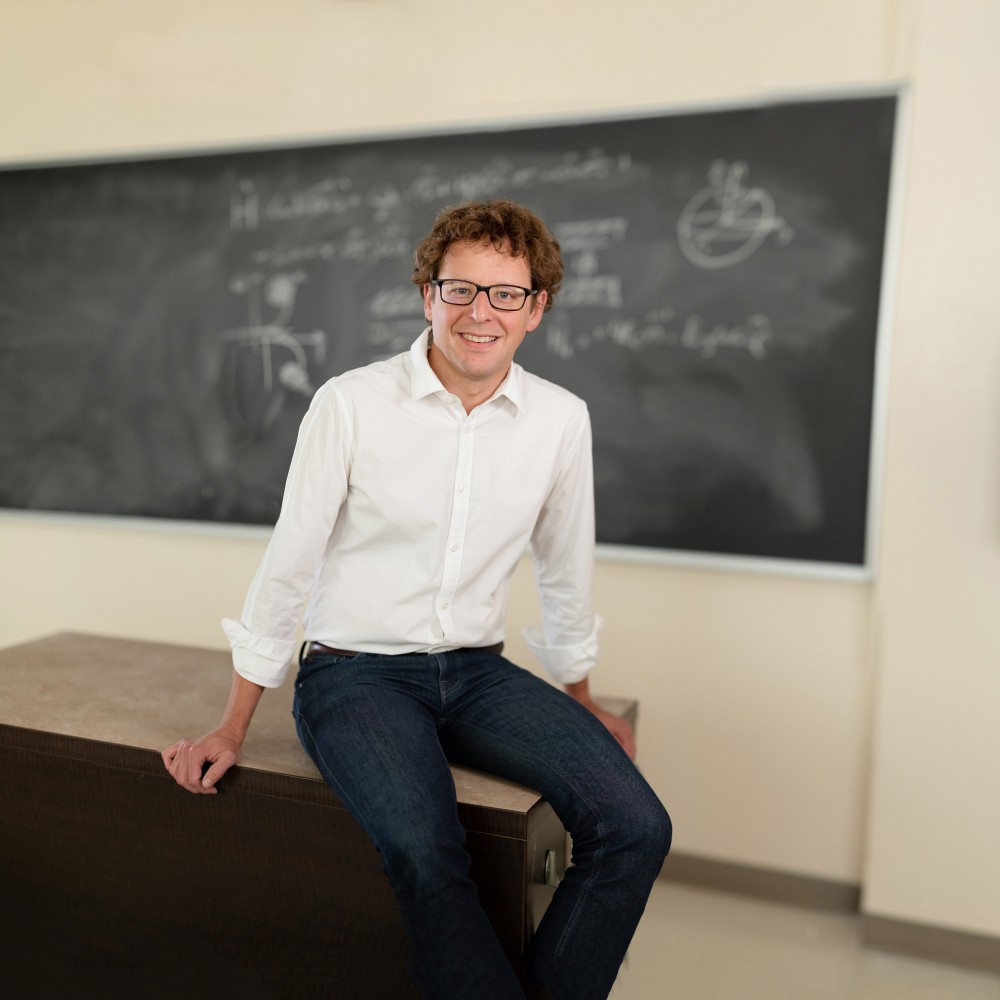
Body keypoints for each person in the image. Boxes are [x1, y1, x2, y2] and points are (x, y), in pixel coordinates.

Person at [162, 199, 671, 1000]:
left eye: (506, 293)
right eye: (459, 288)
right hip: (355, 675)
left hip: (476, 674)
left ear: (536, 309)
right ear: (426, 295)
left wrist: (581, 698)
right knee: (428, 852)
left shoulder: (560, 421)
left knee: (638, 826)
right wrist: (234, 723)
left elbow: (565, 566)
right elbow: (289, 560)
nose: (480, 312)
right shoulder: (350, 403)